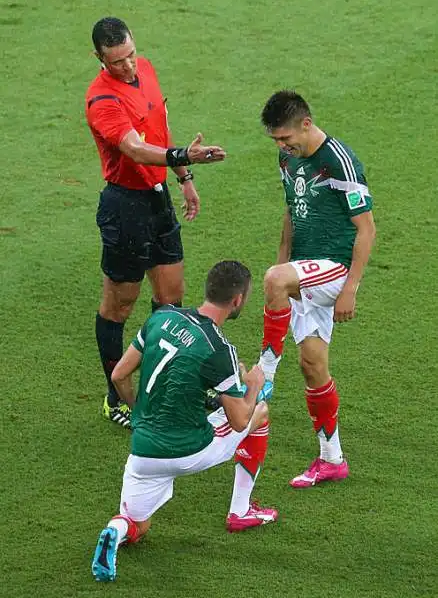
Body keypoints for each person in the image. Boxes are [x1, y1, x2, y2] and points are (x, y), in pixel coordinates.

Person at [91, 261, 277, 582]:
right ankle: (241, 510)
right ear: (237, 300)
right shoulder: (220, 350)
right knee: (258, 412)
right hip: (188, 451)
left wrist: (139, 413)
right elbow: (238, 421)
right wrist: (254, 386)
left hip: (143, 452)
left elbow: (120, 374)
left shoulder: (161, 317)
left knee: (138, 523)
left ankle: (114, 530)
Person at [85, 17, 226, 427]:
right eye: (117, 63)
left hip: (157, 199)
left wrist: (184, 178)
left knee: (171, 301)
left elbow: (158, 128)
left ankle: (167, 386)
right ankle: (117, 397)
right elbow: (136, 148)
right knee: (119, 305)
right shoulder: (101, 101)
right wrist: (185, 157)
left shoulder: (145, 67)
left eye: (130, 56)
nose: (128, 67)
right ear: (99, 59)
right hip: (124, 208)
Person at [257, 91, 376, 488]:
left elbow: (367, 229)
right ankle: (332, 458)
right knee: (312, 364)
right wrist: (283, 260)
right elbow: (292, 213)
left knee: (274, 280)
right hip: (304, 274)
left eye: (285, 137)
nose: (282, 145)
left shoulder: (339, 160)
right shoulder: (287, 159)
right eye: (275, 139)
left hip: (335, 269)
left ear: (306, 124)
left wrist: (350, 289)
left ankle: (264, 376)